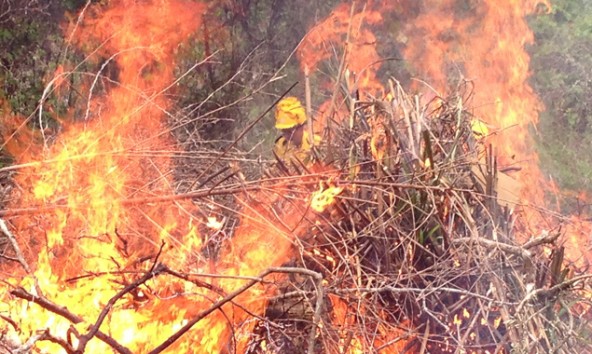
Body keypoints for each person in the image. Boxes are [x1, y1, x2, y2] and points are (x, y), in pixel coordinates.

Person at [273, 96, 320, 165]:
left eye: (290, 131)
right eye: (284, 131)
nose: (287, 136)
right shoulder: (280, 145)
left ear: (301, 126)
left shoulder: (315, 143)